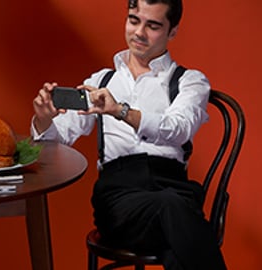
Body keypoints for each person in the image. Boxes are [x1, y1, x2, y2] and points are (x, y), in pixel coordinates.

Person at [30, 0, 227, 269]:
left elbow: (178, 129)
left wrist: (120, 111)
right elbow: (57, 138)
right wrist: (43, 118)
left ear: (173, 31)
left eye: (153, 25)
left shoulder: (189, 81)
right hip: (119, 200)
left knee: (174, 236)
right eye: (134, 20)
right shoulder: (102, 82)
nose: (139, 33)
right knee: (178, 216)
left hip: (172, 188)